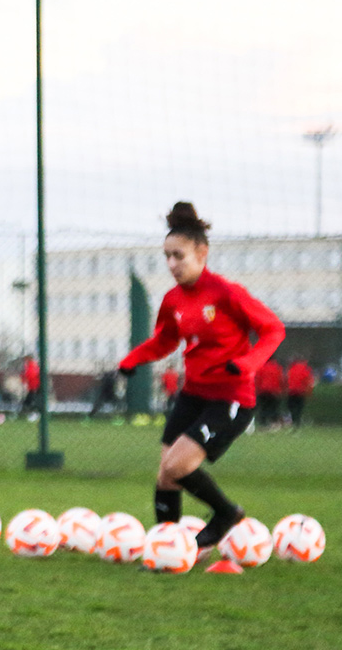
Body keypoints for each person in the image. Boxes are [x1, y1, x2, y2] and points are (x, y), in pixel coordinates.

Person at [117, 203, 284, 556]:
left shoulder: (227, 293)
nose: (172, 264)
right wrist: (133, 360)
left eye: (178, 256)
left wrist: (248, 363)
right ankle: (166, 548)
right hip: (193, 395)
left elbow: (273, 329)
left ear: (201, 252)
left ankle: (226, 513)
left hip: (231, 398)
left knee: (178, 466)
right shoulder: (173, 299)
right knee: (166, 473)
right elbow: (164, 340)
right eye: (167, 257)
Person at [255, 357, 285, 429]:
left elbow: (258, 379)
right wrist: (281, 390)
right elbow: (281, 379)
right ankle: (274, 423)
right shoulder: (278, 367)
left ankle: (263, 423)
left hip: (263, 391)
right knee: (274, 408)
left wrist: (257, 390)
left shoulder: (261, 367)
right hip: (274, 391)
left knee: (263, 408)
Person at [285, 357, 315, 428]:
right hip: (301, 392)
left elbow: (287, 380)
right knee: (299, 408)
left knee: (291, 407)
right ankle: (297, 421)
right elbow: (309, 382)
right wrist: (309, 393)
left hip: (292, 391)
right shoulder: (306, 370)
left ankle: (293, 419)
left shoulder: (291, 369)